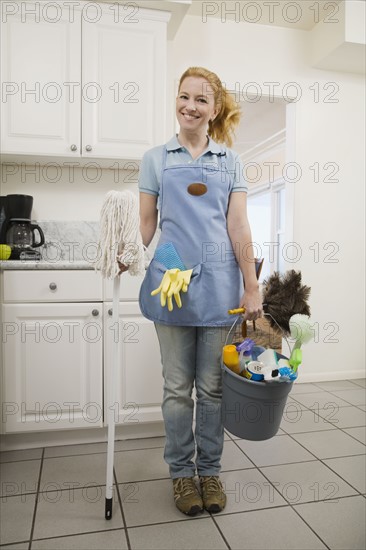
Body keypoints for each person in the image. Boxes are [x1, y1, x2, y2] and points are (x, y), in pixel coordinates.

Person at [121, 67, 262, 515]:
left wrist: (252, 285)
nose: (190, 106)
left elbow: (237, 225)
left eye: (201, 100)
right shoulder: (155, 159)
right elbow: (146, 224)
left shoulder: (230, 162)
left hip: (221, 285)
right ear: (176, 100)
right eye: (184, 96)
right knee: (177, 389)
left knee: (213, 389)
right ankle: (182, 476)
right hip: (171, 284)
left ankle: (211, 472)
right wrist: (124, 253)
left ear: (214, 108)